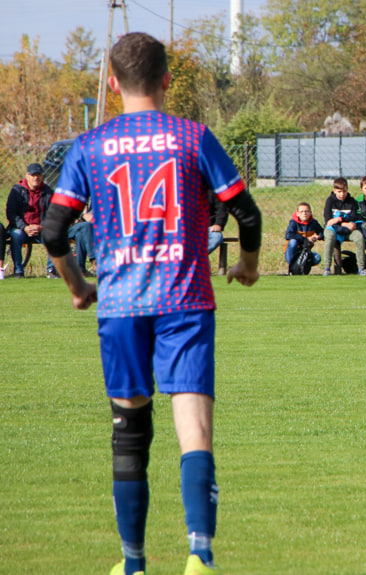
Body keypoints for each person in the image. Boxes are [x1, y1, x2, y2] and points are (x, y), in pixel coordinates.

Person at [41, 32, 262, 575]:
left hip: (120, 303)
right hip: (184, 298)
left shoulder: (89, 146)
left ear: (112, 84)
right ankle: (199, 556)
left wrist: (76, 286)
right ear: (167, 80)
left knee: (129, 430)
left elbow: (52, 230)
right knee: (195, 430)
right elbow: (247, 214)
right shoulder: (193, 137)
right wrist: (249, 266)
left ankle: (133, 564)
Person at [5, 163, 58, 278]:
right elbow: (11, 213)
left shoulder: (48, 192)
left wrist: (41, 226)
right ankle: (18, 270)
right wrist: (24, 227)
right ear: (27, 176)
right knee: (16, 234)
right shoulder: (17, 191)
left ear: (42, 177)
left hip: (42, 229)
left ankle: (51, 270)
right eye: (33, 175)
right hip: (22, 229)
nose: (36, 178)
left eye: (38, 175)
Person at [321, 177, 366, 276]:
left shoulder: (351, 201)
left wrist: (339, 220)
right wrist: (342, 222)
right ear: (334, 191)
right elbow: (328, 221)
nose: (342, 194)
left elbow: (354, 217)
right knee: (329, 237)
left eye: (344, 191)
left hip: (349, 229)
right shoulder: (330, 201)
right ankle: (327, 268)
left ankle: (361, 267)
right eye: (339, 191)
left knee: (359, 237)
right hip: (332, 229)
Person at [284, 202, 323, 273]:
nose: (304, 213)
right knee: (293, 242)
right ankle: (293, 267)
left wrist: (318, 236)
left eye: (306, 211)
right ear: (297, 213)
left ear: (310, 213)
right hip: (292, 252)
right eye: (301, 212)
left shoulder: (313, 223)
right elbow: (288, 235)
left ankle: (302, 267)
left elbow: (322, 232)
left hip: (305, 252)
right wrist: (306, 239)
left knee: (317, 258)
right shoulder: (293, 223)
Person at [68, 204, 96, 276]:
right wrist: (82, 215)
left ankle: (80, 270)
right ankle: (94, 259)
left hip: (83, 230)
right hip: (66, 228)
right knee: (86, 226)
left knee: (80, 234)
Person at [207, 189, 228, 255]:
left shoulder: (214, 190)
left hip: (210, 227)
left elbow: (222, 208)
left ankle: (197, 256)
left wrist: (218, 224)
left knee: (216, 237)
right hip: (190, 228)